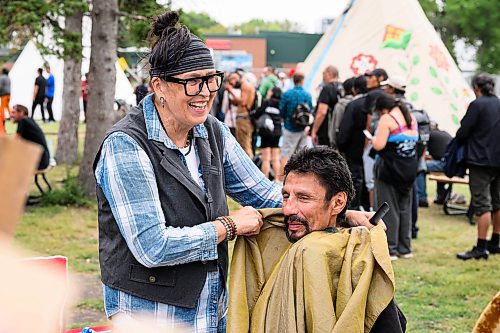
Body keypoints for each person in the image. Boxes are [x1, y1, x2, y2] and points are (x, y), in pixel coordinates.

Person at [93, 11, 381, 331]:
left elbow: (262, 192)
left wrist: (339, 213)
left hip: (207, 304)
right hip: (147, 312)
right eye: (192, 82)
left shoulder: (210, 131)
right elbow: (152, 246)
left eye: (211, 78)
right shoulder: (126, 145)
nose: (205, 92)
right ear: (159, 86)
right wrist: (229, 226)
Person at [228, 147, 406, 332]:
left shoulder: (354, 258)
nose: (288, 209)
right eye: (286, 196)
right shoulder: (267, 240)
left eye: (304, 198)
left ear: (337, 202)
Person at [456, 73, 500, 260]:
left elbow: (463, 131)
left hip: (480, 160)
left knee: (483, 205)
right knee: (498, 203)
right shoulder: (499, 103)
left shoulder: (477, 104)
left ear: (476, 88)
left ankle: (481, 247)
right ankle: (495, 242)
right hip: (499, 161)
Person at [372, 93, 418, 260]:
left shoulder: (387, 119)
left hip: (390, 169)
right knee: (405, 208)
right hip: (409, 168)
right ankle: (405, 248)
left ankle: (390, 248)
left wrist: (372, 140)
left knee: (388, 207)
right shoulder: (411, 117)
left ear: (383, 109)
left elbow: (379, 145)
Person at [337, 75, 370, 210]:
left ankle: (355, 207)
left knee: (355, 177)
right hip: (372, 148)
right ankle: (368, 205)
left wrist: (341, 144)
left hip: (354, 148)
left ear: (354, 89)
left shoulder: (354, 105)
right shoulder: (375, 101)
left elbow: (345, 128)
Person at [278, 72, 313, 181]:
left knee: (286, 154)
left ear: (293, 80)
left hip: (290, 127)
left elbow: (282, 110)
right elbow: (310, 110)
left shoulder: (287, 94)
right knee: (304, 155)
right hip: (303, 128)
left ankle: (282, 180)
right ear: (302, 80)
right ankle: (304, 179)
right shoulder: (307, 95)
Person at [253, 86, 282, 179]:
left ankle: (265, 179)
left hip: (266, 132)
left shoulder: (266, 102)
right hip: (277, 132)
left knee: (265, 159)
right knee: (275, 159)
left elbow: (257, 113)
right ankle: (277, 180)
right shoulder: (281, 104)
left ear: (272, 92)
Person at [225, 70, 255, 158]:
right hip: (244, 117)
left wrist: (230, 91)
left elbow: (242, 102)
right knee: (244, 145)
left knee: (244, 146)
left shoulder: (245, 85)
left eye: (233, 79)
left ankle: (249, 169)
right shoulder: (247, 86)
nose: (232, 83)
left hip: (243, 118)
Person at [10, 104, 50, 170]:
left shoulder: (23, 121)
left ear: (21, 113)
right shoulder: (29, 121)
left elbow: (14, 140)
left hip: (39, 162)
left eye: (14, 113)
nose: (11, 115)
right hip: (43, 160)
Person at [311, 65, 340, 146]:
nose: (323, 76)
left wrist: (314, 130)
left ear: (329, 73)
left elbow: (322, 112)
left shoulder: (327, 88)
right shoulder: (342, 87)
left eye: (323, 73)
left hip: (326, 131)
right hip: (338, 130)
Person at [329, 76, 355, 149]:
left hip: (341, 144)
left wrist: (333, 143)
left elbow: (335, 126)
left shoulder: (340, 105)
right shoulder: (362, 103)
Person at [0, 67, 11, 135]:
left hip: (3, 94)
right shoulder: (8, 77)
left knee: (2, 107)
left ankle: (3, 118)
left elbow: (0, 86)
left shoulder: (2, 78)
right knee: (7, 106)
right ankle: (11, 116)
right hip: (9, 94)